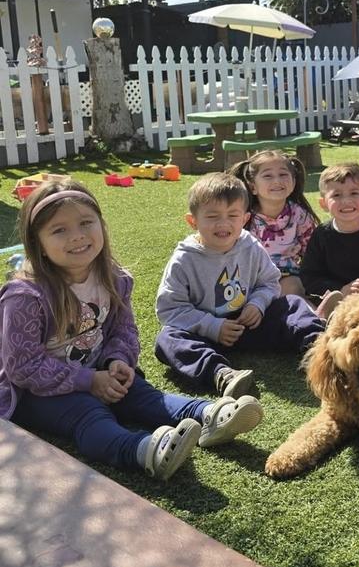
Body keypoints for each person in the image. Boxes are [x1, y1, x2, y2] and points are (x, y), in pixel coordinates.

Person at [0, 180, 263, 481]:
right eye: (59, 230)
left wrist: (117, 362)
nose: (77, 236)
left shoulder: (113, 278)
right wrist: (88, 381)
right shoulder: (26, 297)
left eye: (86, 222)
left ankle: (209, 414)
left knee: (142, 395)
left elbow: (124, 330)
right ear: (38, 243)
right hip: (34, 393)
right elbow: (23, 367)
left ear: (101, 225)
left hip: (99, 369)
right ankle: (143, 451)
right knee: (88, 412)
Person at [154, 172, 325, 398]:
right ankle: (221, 373)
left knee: (292, 305)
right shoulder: (184, 259)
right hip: (206, 333)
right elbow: (169, 309)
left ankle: (322, 349)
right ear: (193, 221)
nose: (223, 224)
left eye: (232, 215)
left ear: (244, 219)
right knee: (168, 338)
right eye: (212, 216)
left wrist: (257, 304)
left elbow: (269, 282)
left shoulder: (249, 245)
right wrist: (212, 327)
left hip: (249, 323)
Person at [299, 162, 359, 300]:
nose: (346, 201)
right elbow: (309, 277)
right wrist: (339, 289)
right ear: (323, 203)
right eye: (337, 195)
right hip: (336, 301)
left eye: (354, 193)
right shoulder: (321, 235)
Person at [229, 150, 319, 298]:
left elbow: (312, 251)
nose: (277, 181)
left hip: (287, 276)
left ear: (293, 182)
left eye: (283, 174)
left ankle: (315, 316)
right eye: (268, 176)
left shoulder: (299, 215)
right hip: (251, 279)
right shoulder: (245, 217)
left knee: (291, 290)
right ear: (253, 187)